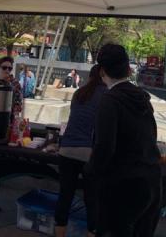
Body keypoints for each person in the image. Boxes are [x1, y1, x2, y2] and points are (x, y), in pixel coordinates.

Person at [88, 44, 161, 237]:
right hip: (151, 181)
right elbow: (151, 135)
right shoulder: (142, 98)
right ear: (128, 68)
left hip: (123, 184)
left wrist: (93, 172)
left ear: (102, 71)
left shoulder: (110, 100)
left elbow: (105, 146)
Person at [55, 65, 105, 237]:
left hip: (66, 149)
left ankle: (59, 233)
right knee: (92, 200)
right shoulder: (106, 95)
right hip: (88, 152)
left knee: (65, 196)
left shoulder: (79, 93)